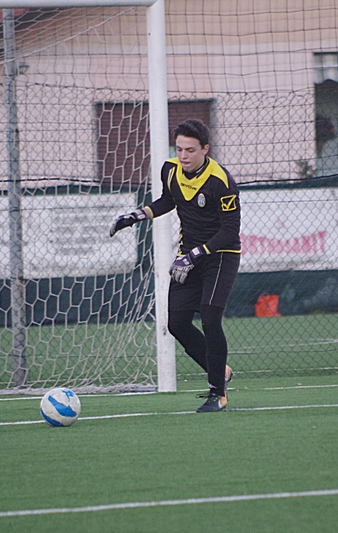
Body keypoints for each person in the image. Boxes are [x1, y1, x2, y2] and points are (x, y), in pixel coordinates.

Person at [109, 119, 241, 412]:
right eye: (179, 149)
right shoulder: (169, 170)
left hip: (220, 256)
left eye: (190, 150)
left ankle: (218, 393)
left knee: (210, 319)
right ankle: (221, 370)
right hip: (188, 257)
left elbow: (230, 232)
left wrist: (195, 255)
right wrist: (136, 216)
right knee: (177, 324)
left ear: (205, 149)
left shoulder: (222, 181)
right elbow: (168, 200)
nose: (183, 155)